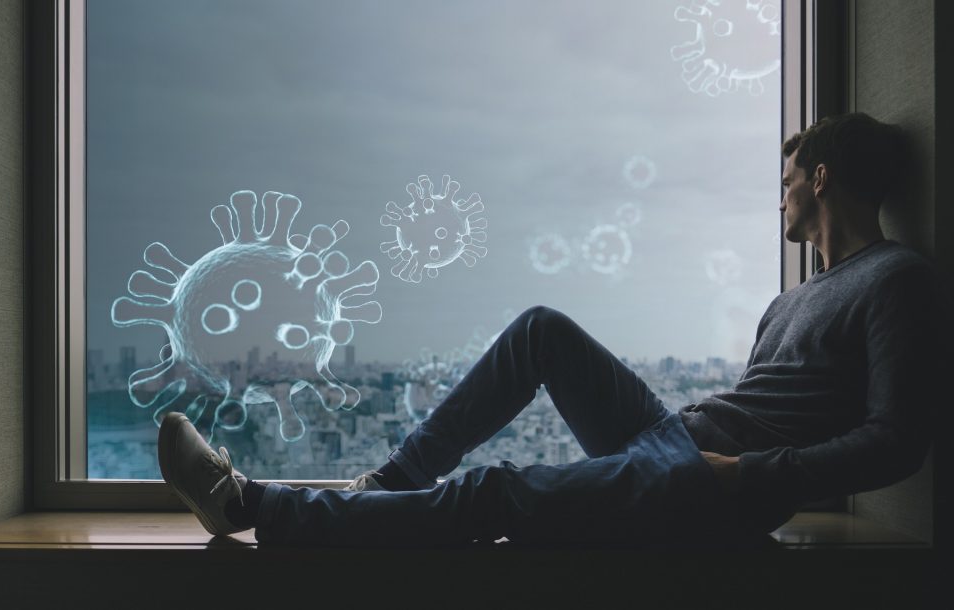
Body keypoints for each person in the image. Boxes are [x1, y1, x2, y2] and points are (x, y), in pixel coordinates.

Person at [157, 112, 944, 549]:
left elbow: (898, 441)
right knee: (541, 331)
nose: (779, 202)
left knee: (494, 492)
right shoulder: (792, 300)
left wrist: (746, 475)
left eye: (786, 185)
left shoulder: (894, 277)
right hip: (684, 443)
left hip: (712, 484)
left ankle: (247, 505)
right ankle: (391, 481)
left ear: (821, 179)